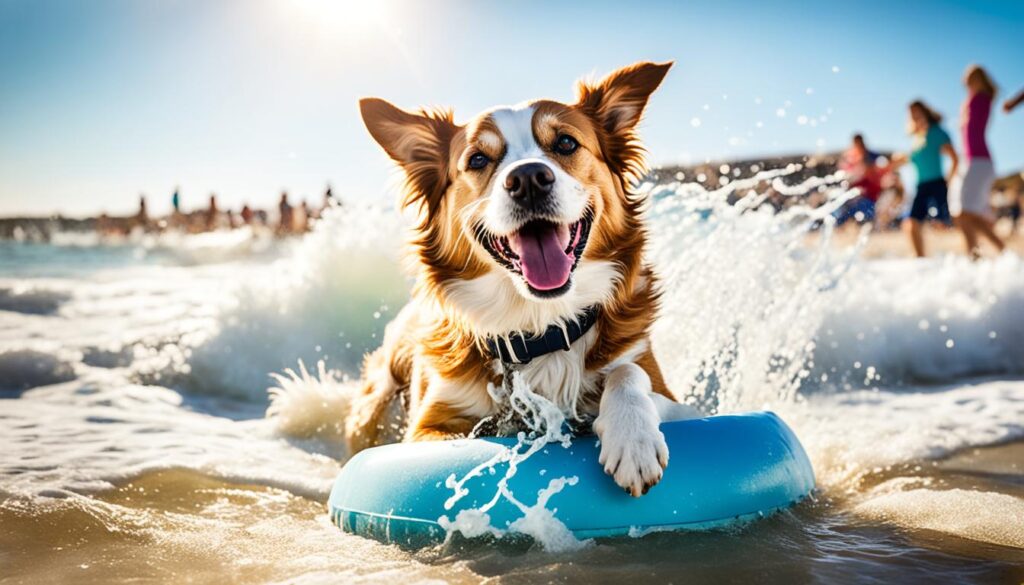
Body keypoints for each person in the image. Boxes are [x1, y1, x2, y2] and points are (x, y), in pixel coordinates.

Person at [949, 65, 1005, 259]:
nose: (966, 81)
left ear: (980, 78)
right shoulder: (970, 101)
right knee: (964, 213)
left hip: (979, 161)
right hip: (971, 161)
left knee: (964, 213)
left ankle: (978, 258)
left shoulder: (983, 98)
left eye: (971, 77)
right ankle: (1000, 254)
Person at [893, 100, 957, 258]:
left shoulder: (937, 132)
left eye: (917, 111)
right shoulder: (916, 140)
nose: (914, 116)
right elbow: (912, 159)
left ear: (925, 111)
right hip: (921, 187)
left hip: (938, 184)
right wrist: (897, 161)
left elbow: (955, 158)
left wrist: (949, 180)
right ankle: (921, 261)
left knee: (941, 224)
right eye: (911, 113)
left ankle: (959, 257)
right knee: (911, 224)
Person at [835, 133, 884, 226]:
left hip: (869, 190)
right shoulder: (850, 156)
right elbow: (843, 171)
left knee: (866, 215)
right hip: (855, 189)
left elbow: (878, 169)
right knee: (845, 210)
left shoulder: (870, 156)